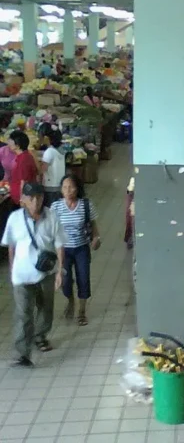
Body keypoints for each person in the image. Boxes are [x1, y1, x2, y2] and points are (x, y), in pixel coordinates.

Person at [3, 182, 66, 366]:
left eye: (39, 197)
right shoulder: (14, 218)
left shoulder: (52, 216)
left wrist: (60, 271)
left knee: (46, 308)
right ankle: (22, 353)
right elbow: (11, 246)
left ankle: (40, 336)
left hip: (46, 274)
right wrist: (13, 269)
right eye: (31, 198)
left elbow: (59, 244)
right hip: (22, 275)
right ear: (23, 200)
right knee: (23, 313)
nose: (36, 201)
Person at [50, 174, 100, 326]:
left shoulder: (85, 205)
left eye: (71, 187)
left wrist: (96, 238)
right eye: (64, 187)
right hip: (63, 250)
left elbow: (94, 226)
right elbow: (51, 229)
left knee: (83, 279)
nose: (68, 190)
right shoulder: (56, 207)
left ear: (77, 189)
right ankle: (70, 301)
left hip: (81, 249)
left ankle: (82, 311)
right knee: (65, 281)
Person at [8, 130, 38, 207]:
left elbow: (24, 182)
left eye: (10, 141)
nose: (8, 142)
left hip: (22, 201)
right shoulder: (23, 156)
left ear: (17, 146)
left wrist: (22, 200)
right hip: (19, 198)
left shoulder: (23, 160)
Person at [39, 124, 65, 207]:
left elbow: (42, 170)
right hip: (59, 186)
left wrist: (33, 157)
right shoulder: (60, 149)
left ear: (46, 138)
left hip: (50, 188)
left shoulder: (49, 152)